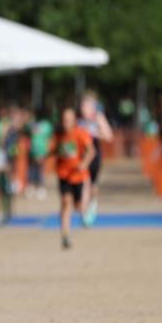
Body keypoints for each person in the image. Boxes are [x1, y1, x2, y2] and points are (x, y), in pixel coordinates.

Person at [49, 107, 95, 250]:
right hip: (63, 175)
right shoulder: (58, 135)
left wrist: (84, 163)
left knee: (79, 207)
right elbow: (53, 150)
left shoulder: (80, 133)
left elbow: (91, 151)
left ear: (74, 121)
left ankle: (90, 204)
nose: (66, 123)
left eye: (68, 120)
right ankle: (65, 236)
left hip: (78, 176)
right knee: (65, 203)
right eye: (64, 120)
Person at [77, 91, 114, 226]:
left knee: (92, 186)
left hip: (95, 156)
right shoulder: (78, 119)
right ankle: (84, 215)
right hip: (82, 157)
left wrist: (94, 133)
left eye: (87, 106)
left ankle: (93, 203)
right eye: (83, 106)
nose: (84, 108)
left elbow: (109, 136)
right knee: (84, 184)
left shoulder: (98, 118)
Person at [26, 105, 53, 200]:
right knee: (32, 170)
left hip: (42, 151)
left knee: (40, 170)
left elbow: (49, 139)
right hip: (32, 151)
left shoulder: (47, 125)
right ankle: (31, 187)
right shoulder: (32, 124)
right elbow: (28, 135)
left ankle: (41, 187)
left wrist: (45, 151)